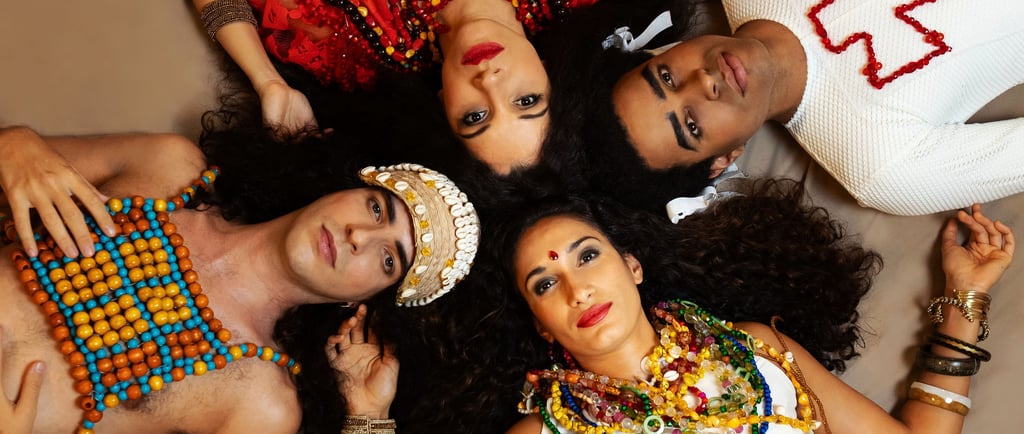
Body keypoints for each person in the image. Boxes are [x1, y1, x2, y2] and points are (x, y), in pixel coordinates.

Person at [0, 126, 480, 433]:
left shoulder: (260, 404)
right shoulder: (167, 168)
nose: (360, 235)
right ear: (345, 186)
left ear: (368, 302)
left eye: (388, 260)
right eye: (377, 208)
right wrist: (12, 145)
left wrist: (366, 420)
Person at [496, 193, 1013, 433]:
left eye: (587, 256)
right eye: (545, 283)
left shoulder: (756, 348)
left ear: (632, 266)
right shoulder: (544, 430)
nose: (577, 290)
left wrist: (965, 297)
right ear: (541, 321)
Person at [545, 0, 1024, 216]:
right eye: (690, 124)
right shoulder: (882, 164)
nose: (702, 81)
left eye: (666, 76)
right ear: (722, 160)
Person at [192, 0, 597, 174]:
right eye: (526, 100)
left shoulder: (355, 39)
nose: (489, 82)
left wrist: (269, 84)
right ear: (550, 74)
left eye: (475, 116)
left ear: (443, 106)